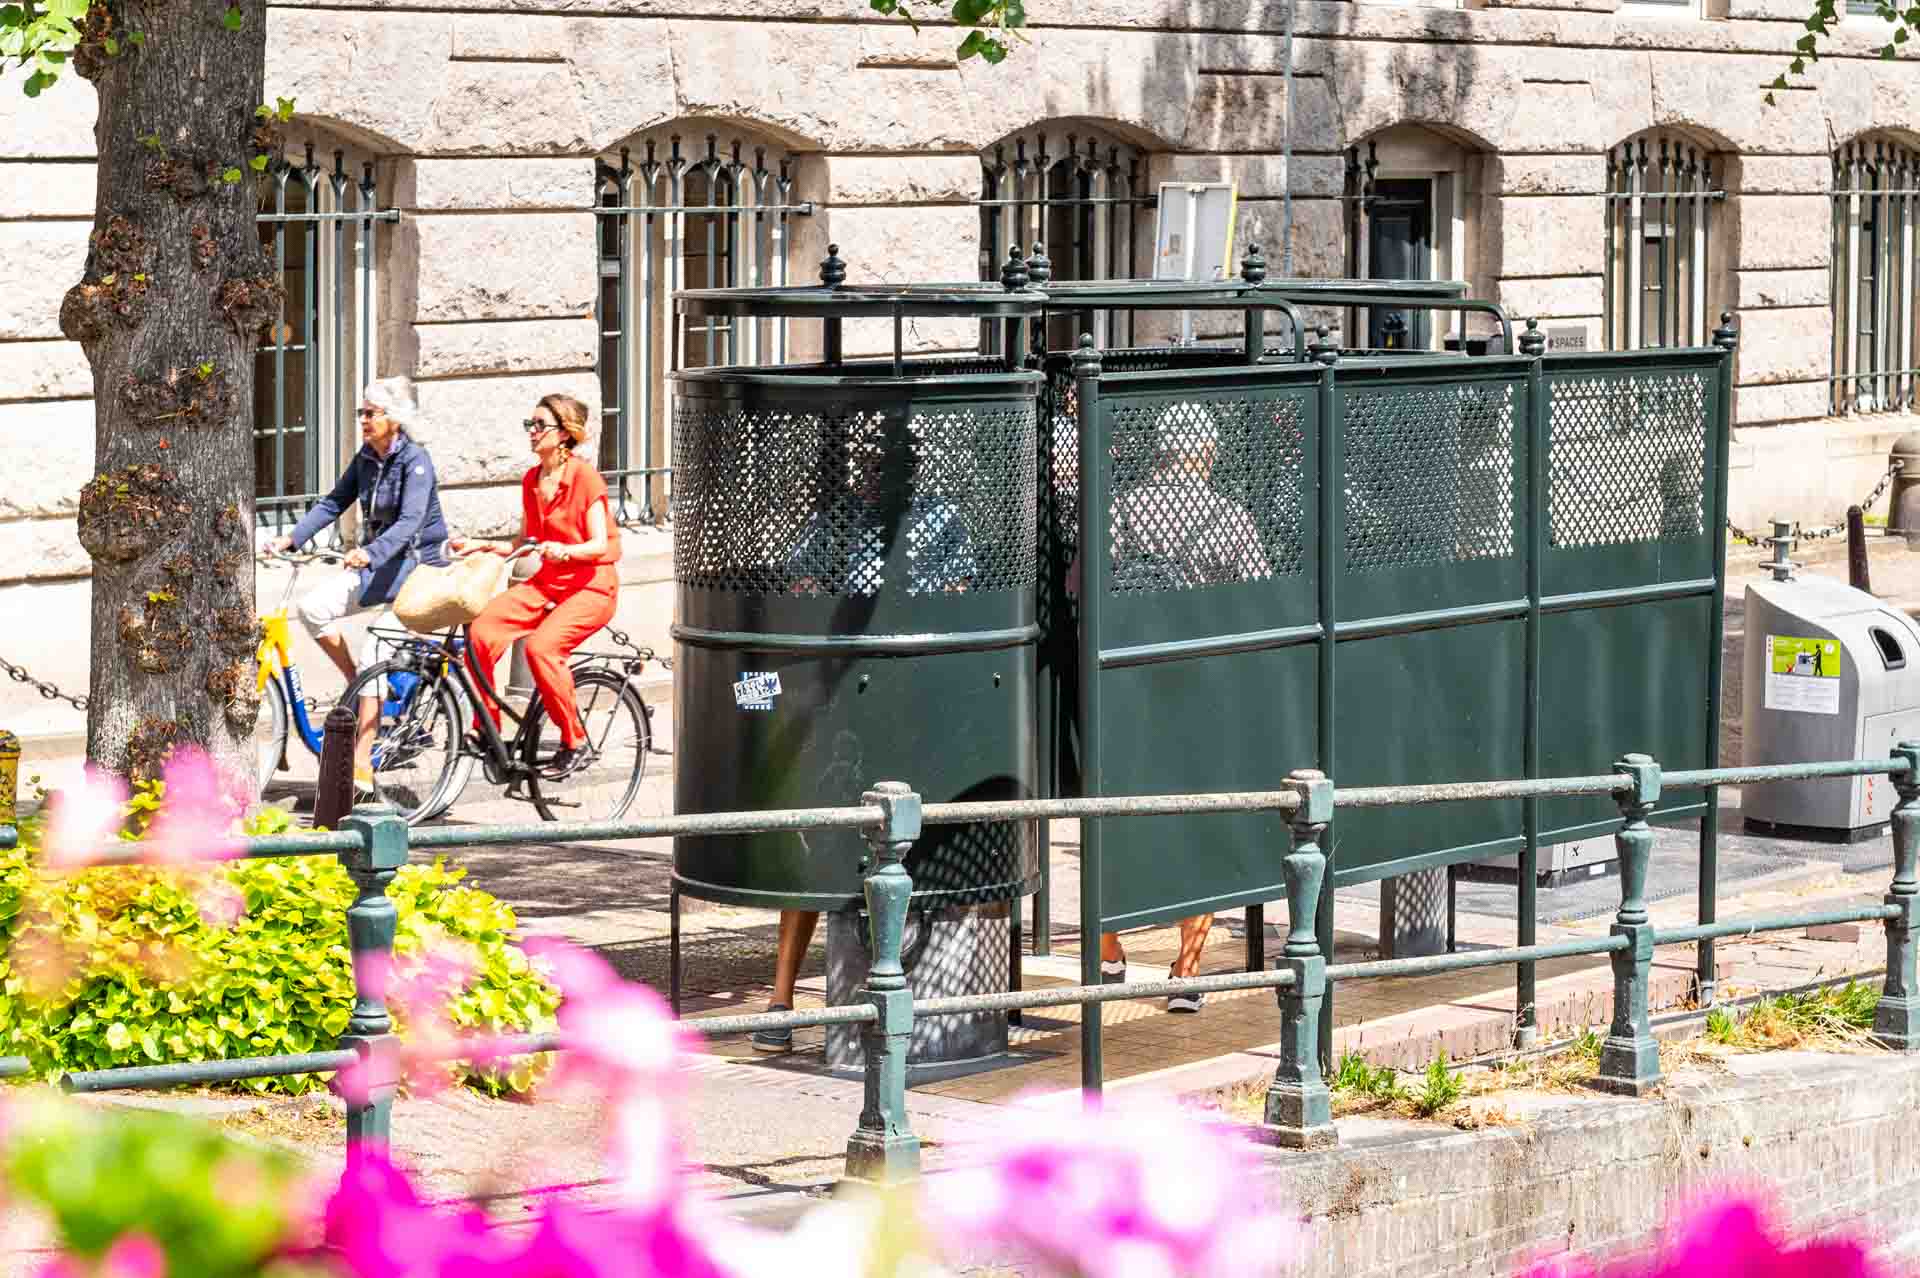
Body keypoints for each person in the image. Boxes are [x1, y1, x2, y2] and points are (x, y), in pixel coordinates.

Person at [752, 441, 978, 1053]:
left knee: (913, 845)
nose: (875, 478)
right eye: (869, 467)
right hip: (844, 692)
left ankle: (909, 995)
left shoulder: (940, 521)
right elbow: (799, 579)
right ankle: (780, 1000)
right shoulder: (838, 522)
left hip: (912, 697)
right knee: (820, 843)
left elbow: (966, 587)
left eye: (888, 467)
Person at [1074, 405, 1272, 1014]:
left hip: (1127, 687)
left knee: (1113, 815)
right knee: (1199, 821)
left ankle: (1108, 955)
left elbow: (1080, 585)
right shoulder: (1229, 517)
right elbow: (1261, 598)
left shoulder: (1121, 512)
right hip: (1202, 691)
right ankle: (1186, 974)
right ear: (1206, 453)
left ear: (1161, 451)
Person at [270, 375, 449, 789]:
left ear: (395, 418)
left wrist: (370, 552)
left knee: (375, 648)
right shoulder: (367, 457)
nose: (364, 420)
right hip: (385, 567)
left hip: (419, 569)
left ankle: (362, 763)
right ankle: (360, 687)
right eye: (362, 413)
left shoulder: (415, 460)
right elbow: (335, 500)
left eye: (372, 413)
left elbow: (410, 523)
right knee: (313, 608)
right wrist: (293, 538)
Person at [450, 393, 620, 780]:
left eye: (539, 425)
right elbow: (524, 542)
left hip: (591, 586)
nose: (532, 432)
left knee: (542, 649)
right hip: (548, 583)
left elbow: (599, 543)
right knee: (481, 632)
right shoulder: (532, 479)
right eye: (530, 424)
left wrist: (565, 550)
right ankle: (487, 728)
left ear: (563, 434)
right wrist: (483, 544)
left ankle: (574, 740)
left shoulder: (583, 477)